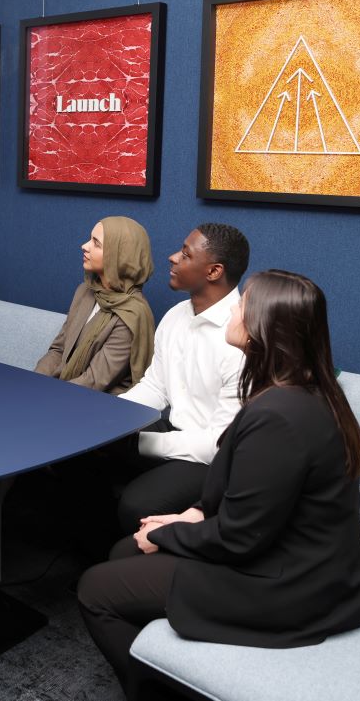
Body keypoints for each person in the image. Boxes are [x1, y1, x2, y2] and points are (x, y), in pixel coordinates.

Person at [78, 270, 360, 695]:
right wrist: (188, 515)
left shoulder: (280, 415)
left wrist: (170, 534)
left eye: (243, 305)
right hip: (293, 555)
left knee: (94, 589)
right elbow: (248, 495)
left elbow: (242, 537)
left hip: (288, 584)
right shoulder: (303, 391)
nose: (234, 308)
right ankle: (169, 657)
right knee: (124, 548)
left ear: (264, 327)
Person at [115, 223, 249, 531]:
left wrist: (141, 443)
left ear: (214, 271)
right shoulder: (176, 316)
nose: (173, 258)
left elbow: (218, 444)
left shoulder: (241, 338)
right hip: (174, 433)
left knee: (137, 504)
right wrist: (110, 418)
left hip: (214, 460)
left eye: (186, 255)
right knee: (85, 455)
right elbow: (155, 387)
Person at [34, 217, 155, 394]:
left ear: (118, 256)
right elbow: (58, 350)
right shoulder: (85, 291)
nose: (84, 246)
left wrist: (47, 396)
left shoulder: (132, 315)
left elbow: (95, 380)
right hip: (61, 391)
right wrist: (33, 383)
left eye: (96, 243)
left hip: (97, 405)